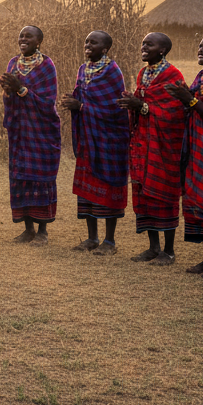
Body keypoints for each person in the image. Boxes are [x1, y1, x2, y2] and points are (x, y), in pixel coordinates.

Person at [59, 30, 130, 255]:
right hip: (88, 138)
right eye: (86, 41)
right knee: (86, 190)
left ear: (105, 48)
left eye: (93, 42)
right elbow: (82, 96)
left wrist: (80, 107)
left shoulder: (112, 71)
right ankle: (91, 238)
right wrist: (73, 100)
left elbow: (114, 109)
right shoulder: (83, 69)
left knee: (108, 187)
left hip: (110, 140)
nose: (88, 45)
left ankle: (109, 242)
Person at [118, 32, 186, 265]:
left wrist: (142, 106)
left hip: (164, 146)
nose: (143, 47)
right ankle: (153, 247)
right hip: (143, 142)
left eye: (150, 44)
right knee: (144, 191)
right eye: (143, 43)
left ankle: (169, 251)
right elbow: (144, 103)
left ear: (163, 50)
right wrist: (133, 104)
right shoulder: (143, 73)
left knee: (164, 193)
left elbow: (176, 114)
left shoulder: (172, 75)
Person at [0, 26, 61, 245]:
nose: (23, 39)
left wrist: (21, 89)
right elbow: (10, 96)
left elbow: (47, 102)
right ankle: (28, 229)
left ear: (39, 42)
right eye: (21, 36)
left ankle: (42, 231)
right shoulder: (13, 63)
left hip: (41, 130)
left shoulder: (47, 66)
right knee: (21, 177)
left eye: (29, 36)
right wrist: (8, 90)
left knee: (40, 177)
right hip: (20, 131)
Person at [166, 33, 203, 277]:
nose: (200, 50)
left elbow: (201, 108)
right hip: (196, 146)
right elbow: (191, 104)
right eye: (200, 46)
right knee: (198, 200)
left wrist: (190, 100)